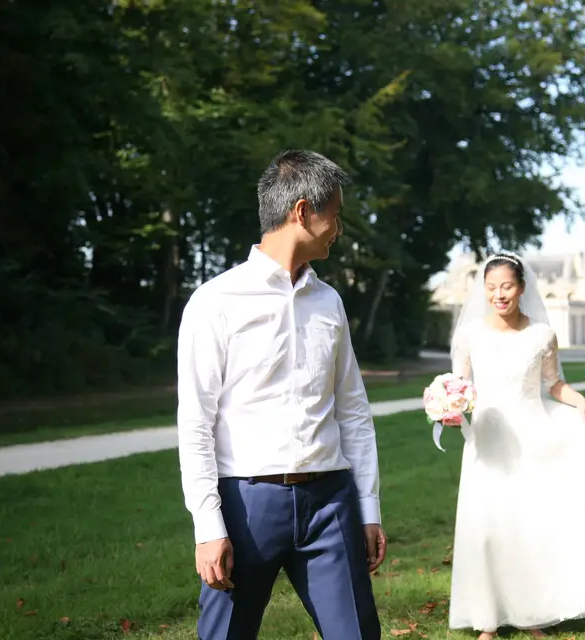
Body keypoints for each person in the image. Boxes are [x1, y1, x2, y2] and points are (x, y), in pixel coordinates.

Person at [175, 149, 386, 640]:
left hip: (331, 503)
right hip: (246, 505)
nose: (338, 228)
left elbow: (353, 412)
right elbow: (196, 423)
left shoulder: (329, 302)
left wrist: (368, 508)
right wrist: (209, 526)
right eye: (334, 216)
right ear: (301, 213)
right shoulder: (214, 303)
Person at [447, 252, 585, 639]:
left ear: (521, 288)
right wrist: (447, 403)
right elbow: (460, 386)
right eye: (491, 287)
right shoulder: (469, 336)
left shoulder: (541, 335)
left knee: (527, 527)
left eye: (507, 287)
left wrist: (577, 399)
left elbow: (553, 384)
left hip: (534, 437)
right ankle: (487, 620)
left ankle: (531, 612)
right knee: (487, 527)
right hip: (488, 440)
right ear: (483, 290)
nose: (499, 295)